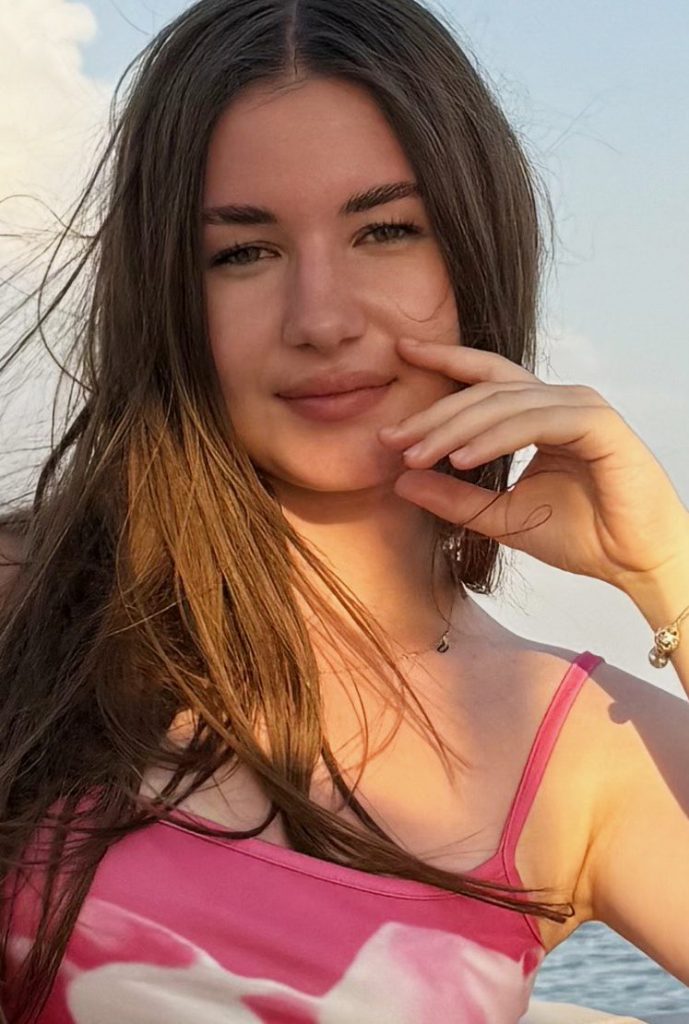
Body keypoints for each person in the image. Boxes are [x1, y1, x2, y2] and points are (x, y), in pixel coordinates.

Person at [0, 0, 688, 1020]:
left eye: (385, 231)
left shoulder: (583, 747)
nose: (319, 318)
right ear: (167, 296)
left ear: (474, 256)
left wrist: (664, 569)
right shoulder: (28, 609)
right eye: (242, 252)